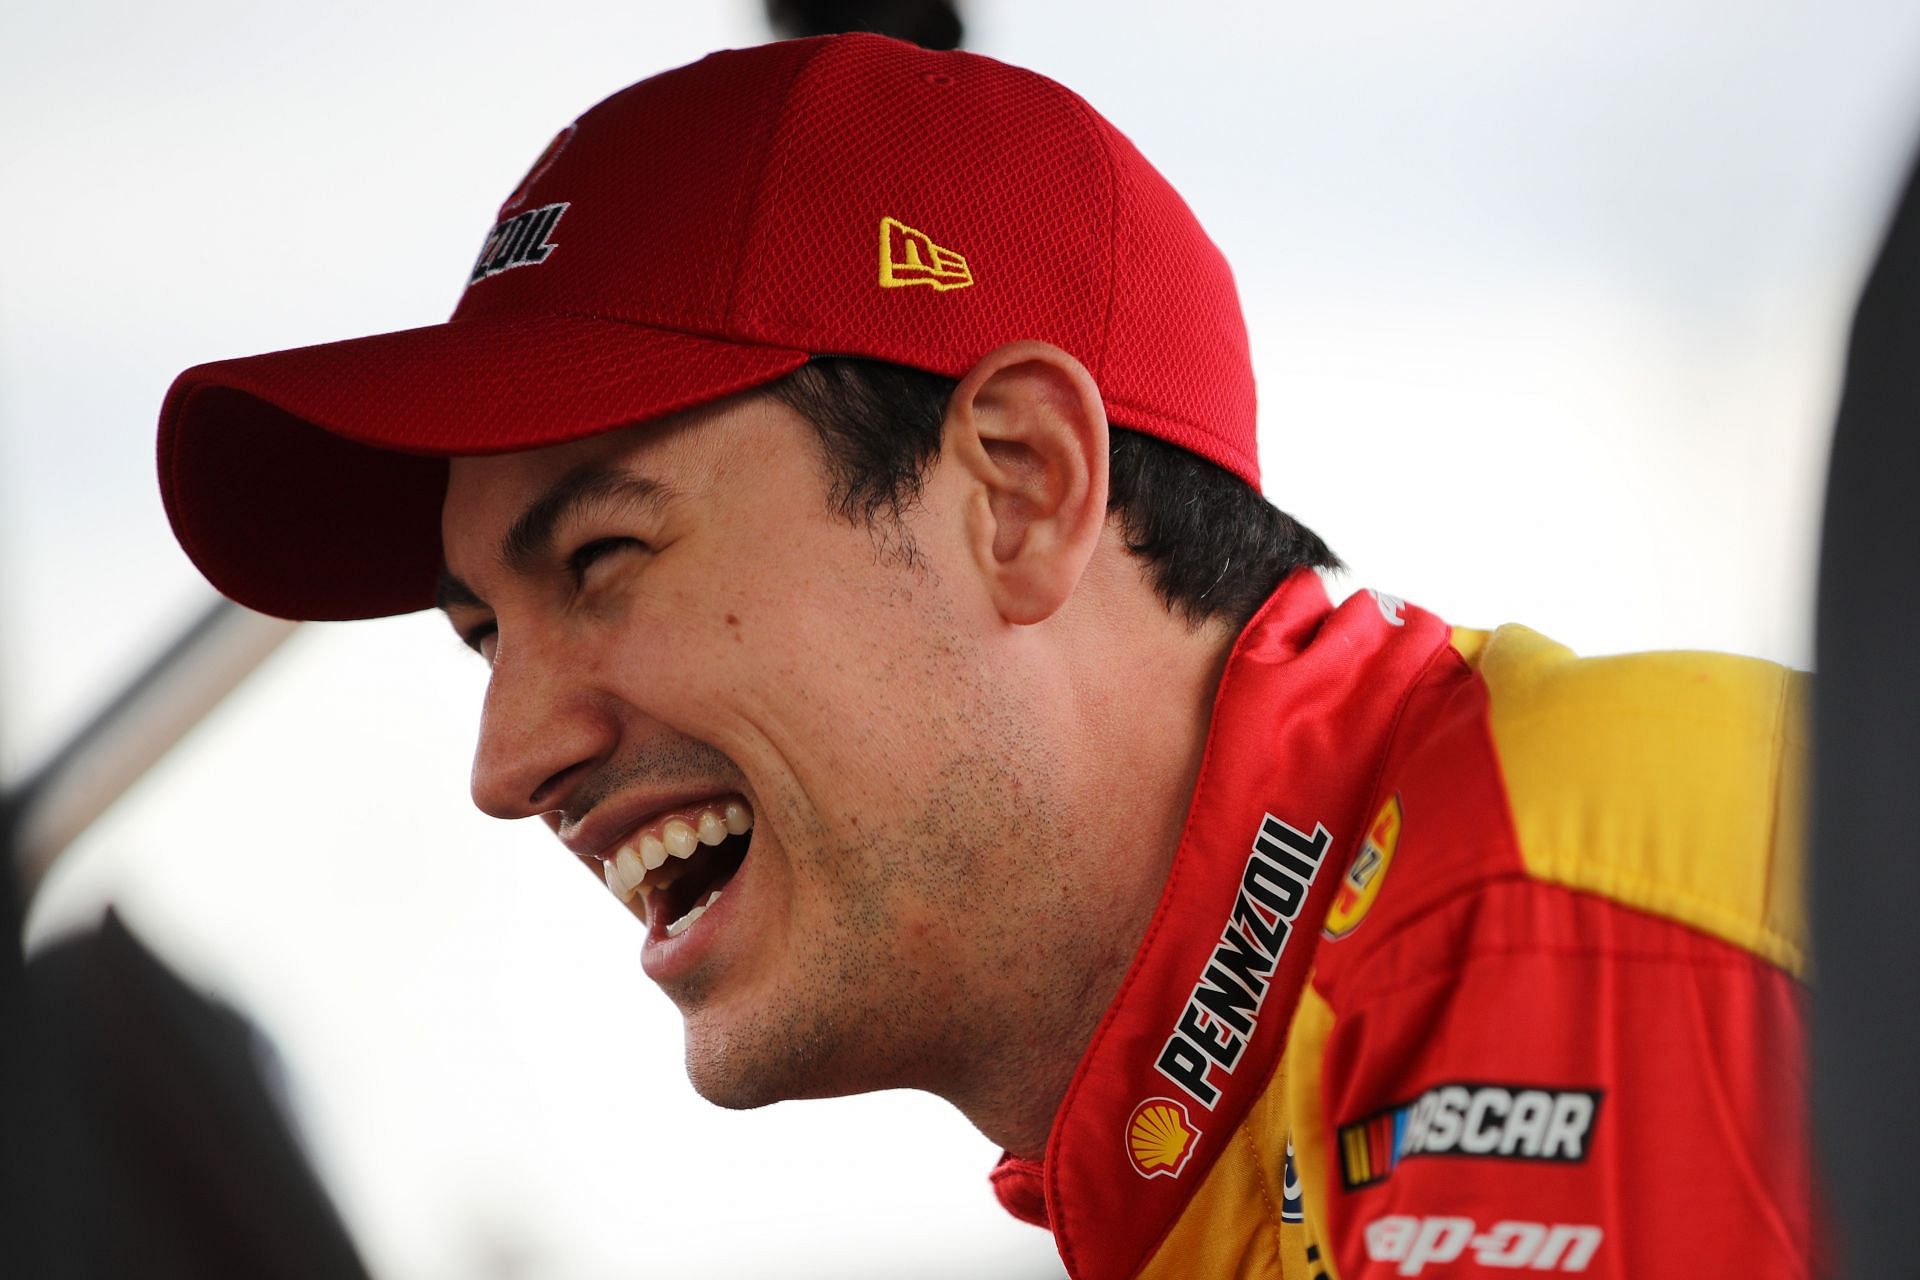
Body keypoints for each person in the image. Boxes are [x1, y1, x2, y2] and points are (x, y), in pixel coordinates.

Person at [155, 33, 1814, 1280]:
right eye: (480, 636)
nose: (506, 763)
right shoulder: (1241, 1121)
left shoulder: (1564, 920)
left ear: (1021, 489)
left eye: (602, 556)